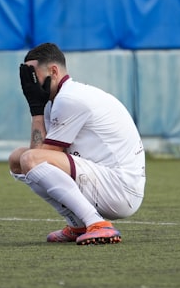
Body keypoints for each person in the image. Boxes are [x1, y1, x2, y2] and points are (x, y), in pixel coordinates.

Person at [9, 43, 146, 245]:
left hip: (121, 189)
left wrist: (36, 109)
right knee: (17, 159)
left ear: (53, 71)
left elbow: (40, 157)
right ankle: (77, 224)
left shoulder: (70, 98)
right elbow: (40, 156)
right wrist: (37, 109)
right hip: (103, 180)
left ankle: (97, 224)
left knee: (30, 158)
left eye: (33, 75)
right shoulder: (55, 101)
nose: (30, 84)